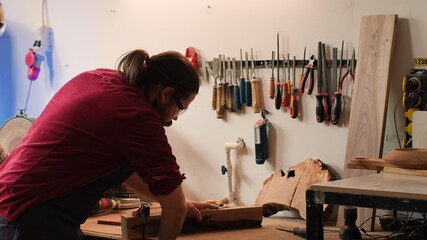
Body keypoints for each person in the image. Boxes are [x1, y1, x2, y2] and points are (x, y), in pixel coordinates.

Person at [0, 49, 218, 240]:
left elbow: (124, 168)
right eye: (181, 107)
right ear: (166, 94)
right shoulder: (136, 114)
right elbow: (175, 206)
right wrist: (174, 205)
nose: (176, 117)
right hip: (28, 216)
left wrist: (171, 201)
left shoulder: (100, 78)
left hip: (11, 203)